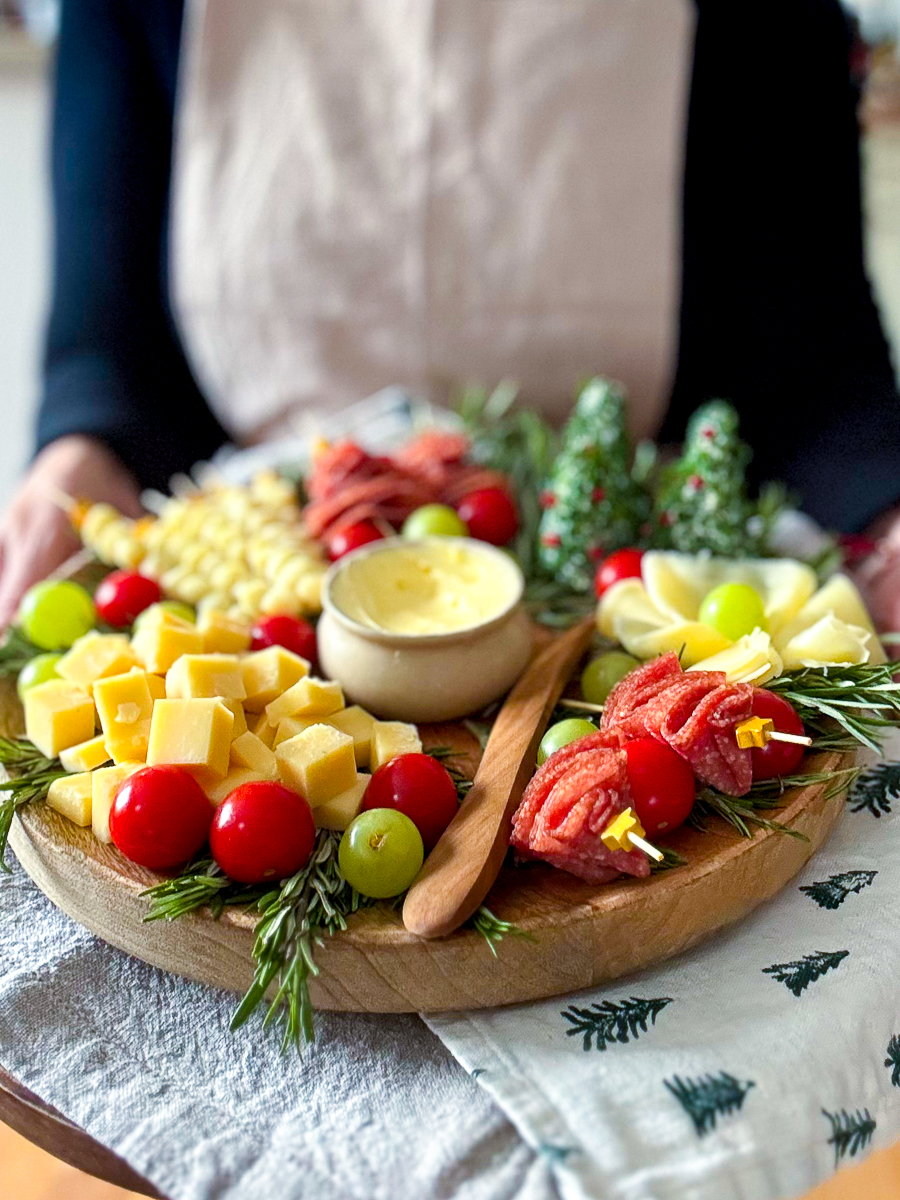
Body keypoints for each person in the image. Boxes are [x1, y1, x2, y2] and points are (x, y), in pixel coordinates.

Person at [2, 0, 900, 630]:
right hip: (263, 590)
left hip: (643, 591)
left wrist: (885, 510)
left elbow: (819, 375)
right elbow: (107, 345)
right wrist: (79, 455)